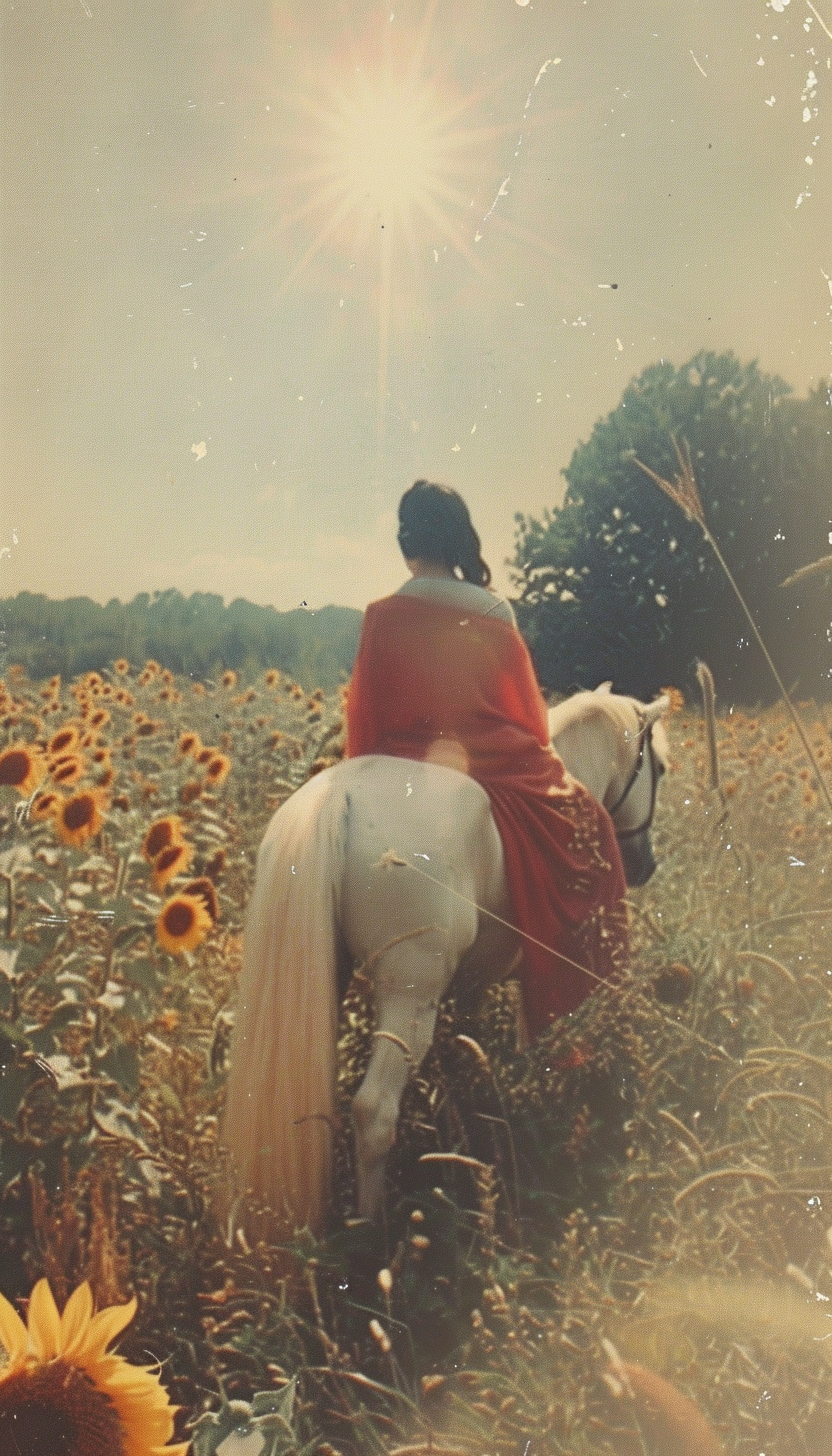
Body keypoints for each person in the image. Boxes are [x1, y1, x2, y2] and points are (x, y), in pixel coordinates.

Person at [345, 479, 627, 1039]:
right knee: (588, 826)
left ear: (407, 541)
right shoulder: (494, 611)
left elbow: (363, 718)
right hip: (492, 763)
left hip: (396, 759)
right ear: (458, 539)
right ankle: (571, 1014)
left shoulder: (380, 614)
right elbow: (528, 719)